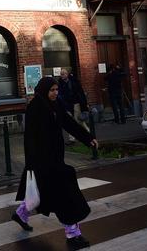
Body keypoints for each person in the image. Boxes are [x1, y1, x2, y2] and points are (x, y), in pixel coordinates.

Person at [12, 77, 99, 251]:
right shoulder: (35, 107)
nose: (55, 93)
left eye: (57, 90)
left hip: (55, 159)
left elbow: (69, 123)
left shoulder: (55, 105)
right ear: (44, 90)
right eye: (52, 90)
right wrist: (32, 162)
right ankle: (73, 234)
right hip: (42, 161)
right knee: (64, 196)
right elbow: (29, 138)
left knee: (42, 194)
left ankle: (21, 213)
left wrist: (87, 138)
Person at [58, 69, 88, 143]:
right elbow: (60, 95)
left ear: (67, 74)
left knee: (78, 120)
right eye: (61, 74)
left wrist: (84, 103)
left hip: (75, 103)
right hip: (66, 104)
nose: (62, 76)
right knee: (70, 121)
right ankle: (72, 138)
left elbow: (80, 92)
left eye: (63, 74)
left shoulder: (74, 81)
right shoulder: (60, 84)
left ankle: (87, 132)